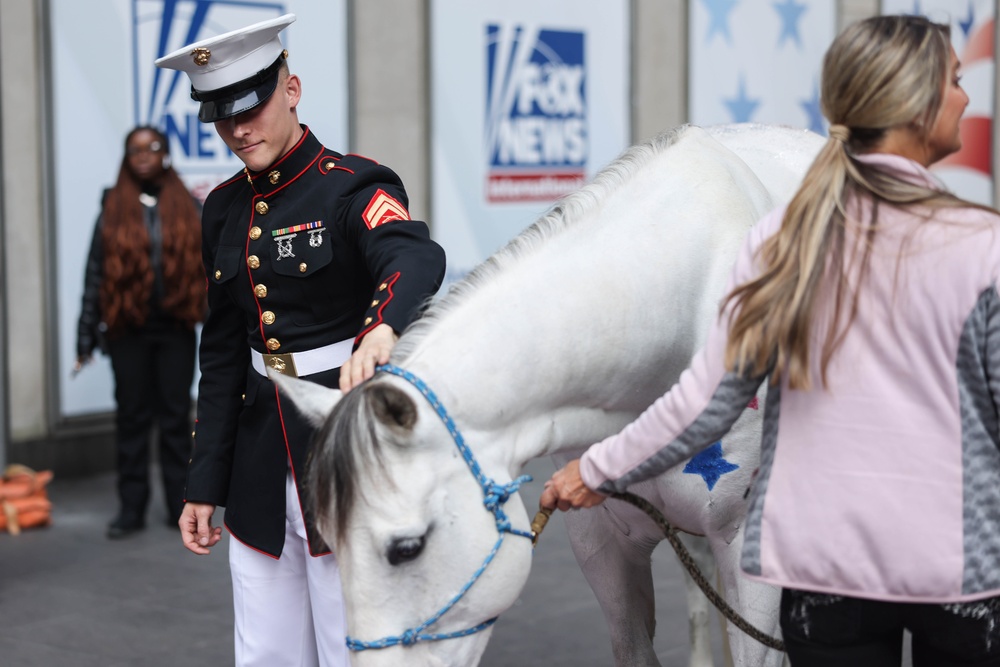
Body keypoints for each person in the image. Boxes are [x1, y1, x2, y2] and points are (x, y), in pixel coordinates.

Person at [541, 14, 1000, 666]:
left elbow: (707, 399)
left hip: (823, 576)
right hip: (961, 576)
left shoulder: (783, 240)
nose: (967, 97)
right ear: (918, 106)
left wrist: (596, 467)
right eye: (955, 81)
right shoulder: (984, 245)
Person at [155, 13, 446, 667]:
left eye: (252, 105)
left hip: (345, 452)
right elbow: (225, 351)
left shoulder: (351, 184)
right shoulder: (224, 208)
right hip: (259, 465)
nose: (239, 128)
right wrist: (205, 482)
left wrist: (381, 326)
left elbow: (413, 257)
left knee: (354, 647)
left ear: (291, 89)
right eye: (222, 116)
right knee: (265, 652)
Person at [75, 125, 205, 540]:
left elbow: (210, 268)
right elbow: (95, 275)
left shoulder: (189, 205)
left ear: (166, 154)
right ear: (126, 157)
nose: (145, 155)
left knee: (173, 420)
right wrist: (85, 339)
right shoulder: (112, 207)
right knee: (131, 419)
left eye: (153, 148)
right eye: (136, 150)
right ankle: (130, 509)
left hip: (176, 328)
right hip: (126, 329)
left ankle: (177, 507)